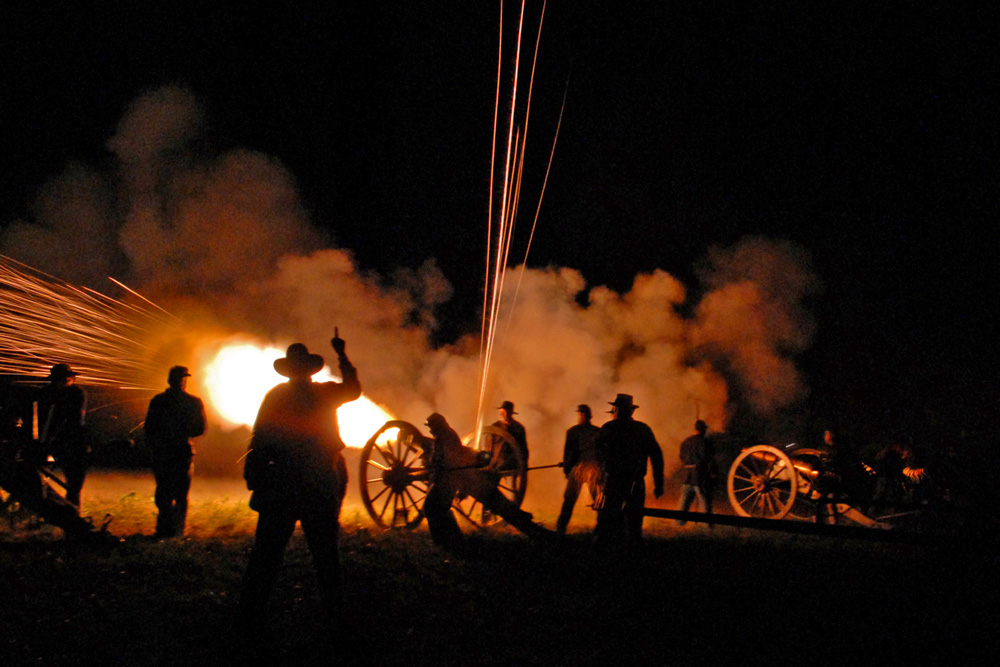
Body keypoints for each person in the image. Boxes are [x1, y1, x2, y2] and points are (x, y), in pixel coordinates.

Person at [239, 332, 360, 624]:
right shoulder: (325, 393)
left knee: (267, 553)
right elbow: (353, 389)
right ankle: (334, 614)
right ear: (309, 369)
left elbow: (260, 437)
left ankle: (251, 612)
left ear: (290, 370)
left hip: (280, 483)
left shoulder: (276, 396)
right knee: (325, 554)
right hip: (317, 482)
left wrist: (255, 475)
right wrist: (342, 354)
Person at [421, 412, 551, 552]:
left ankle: (451, 541)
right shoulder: (443, 436)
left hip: (460, 479)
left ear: (437, 425)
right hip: (458, 479)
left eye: (431, 426)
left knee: (433, 507)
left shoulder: (446, 437)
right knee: (435, 507)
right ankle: (450, 541)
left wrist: (436, 468)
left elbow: (449, 460)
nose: (430, 430)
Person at [0, 391, 115, 543]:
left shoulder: (11, 435)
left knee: (50, 501)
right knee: (43, 501)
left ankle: (82, 529)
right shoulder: (9, 435)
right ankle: (82, 529)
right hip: (12, 471)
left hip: (17, 469)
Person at [143, 365, 207, 538]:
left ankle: (165, 529)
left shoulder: (159, 401)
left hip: (165, 451)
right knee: (178, 493)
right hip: (180, 451)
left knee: (166, 491)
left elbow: (149, 428)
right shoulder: (193, 402)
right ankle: (176, 530)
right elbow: (200, 429)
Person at [594, 394, 664, 545]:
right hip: (635, 481)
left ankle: (607, 553)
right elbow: (656, 456)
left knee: (609, 519)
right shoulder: (642, 429)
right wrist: (659, 484)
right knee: (634, 521)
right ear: (631, 411)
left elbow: (597, 456)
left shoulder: (609, 428)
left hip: (614, 480)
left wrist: (599, 480)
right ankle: (633, 553)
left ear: (616, 410)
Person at [32, 363, 89, 506]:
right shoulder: (46, 394)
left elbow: (74, 421)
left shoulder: (76, 393)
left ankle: (72, 512)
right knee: (38, 480)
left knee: (74, 485)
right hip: (48, 442)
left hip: (72, 442)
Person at [556, 404, 602, 534]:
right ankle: (561, 527)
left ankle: (601, 527)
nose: (582, 416)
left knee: (599, 500)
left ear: (589, 416)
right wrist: (567, 468)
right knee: (569, 500)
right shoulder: (572, 432)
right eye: (580, 414)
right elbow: (568, 452)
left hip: (593, 470)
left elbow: (600, 452)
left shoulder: (597, 432)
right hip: (578, 469)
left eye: (584, 414)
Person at [676, 419, 717, 525]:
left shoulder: (686, 441)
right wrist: (712, 472)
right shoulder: (705, 442)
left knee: (684, 502)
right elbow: (708, 458)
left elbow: (681, 457)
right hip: (700, 475)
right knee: (704, 502)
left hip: (687, 474)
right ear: (703, 430)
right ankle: (706, 525)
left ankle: (679, 523)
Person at [493, 400, 529, 467]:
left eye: (504, 412)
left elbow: (523, 449)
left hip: (513, 465)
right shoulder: (494, 427)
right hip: (496, 465)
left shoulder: (518, 428)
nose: (502, 414)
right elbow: (488, 446)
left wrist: (523, 466)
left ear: (510, 413)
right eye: (501, 412)